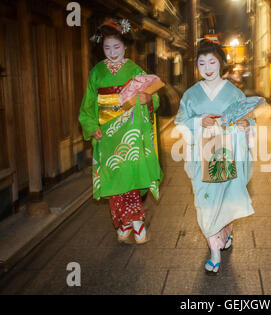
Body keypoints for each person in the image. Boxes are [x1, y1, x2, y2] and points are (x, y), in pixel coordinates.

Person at [78, 17, 163, 244]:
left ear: (125, 46)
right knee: (113, 182)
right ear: (101, 48)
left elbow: (153, 94)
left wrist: (147, 98)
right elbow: (88, 105)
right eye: (107, 47)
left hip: (130, 131)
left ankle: (136, 225)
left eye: (117, 46)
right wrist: (91, 126)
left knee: (131, 180)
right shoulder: (96, 72)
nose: (112, 52)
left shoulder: (134, 69)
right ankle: (124, 223)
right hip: (106, 134)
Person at [174, 40, 255, 274]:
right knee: (205, 202)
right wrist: (199, 121)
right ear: (196, 66)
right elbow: (180, 123)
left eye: (212, 61)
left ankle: (224, 234)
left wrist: (245, 124)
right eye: (202, 63)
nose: (207, 67)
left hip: (228, 152)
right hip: (202, 155)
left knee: (226, 200)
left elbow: (249, 119)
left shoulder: (234, 91)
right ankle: (215, 252)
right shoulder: (190, 94)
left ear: (221, 63)